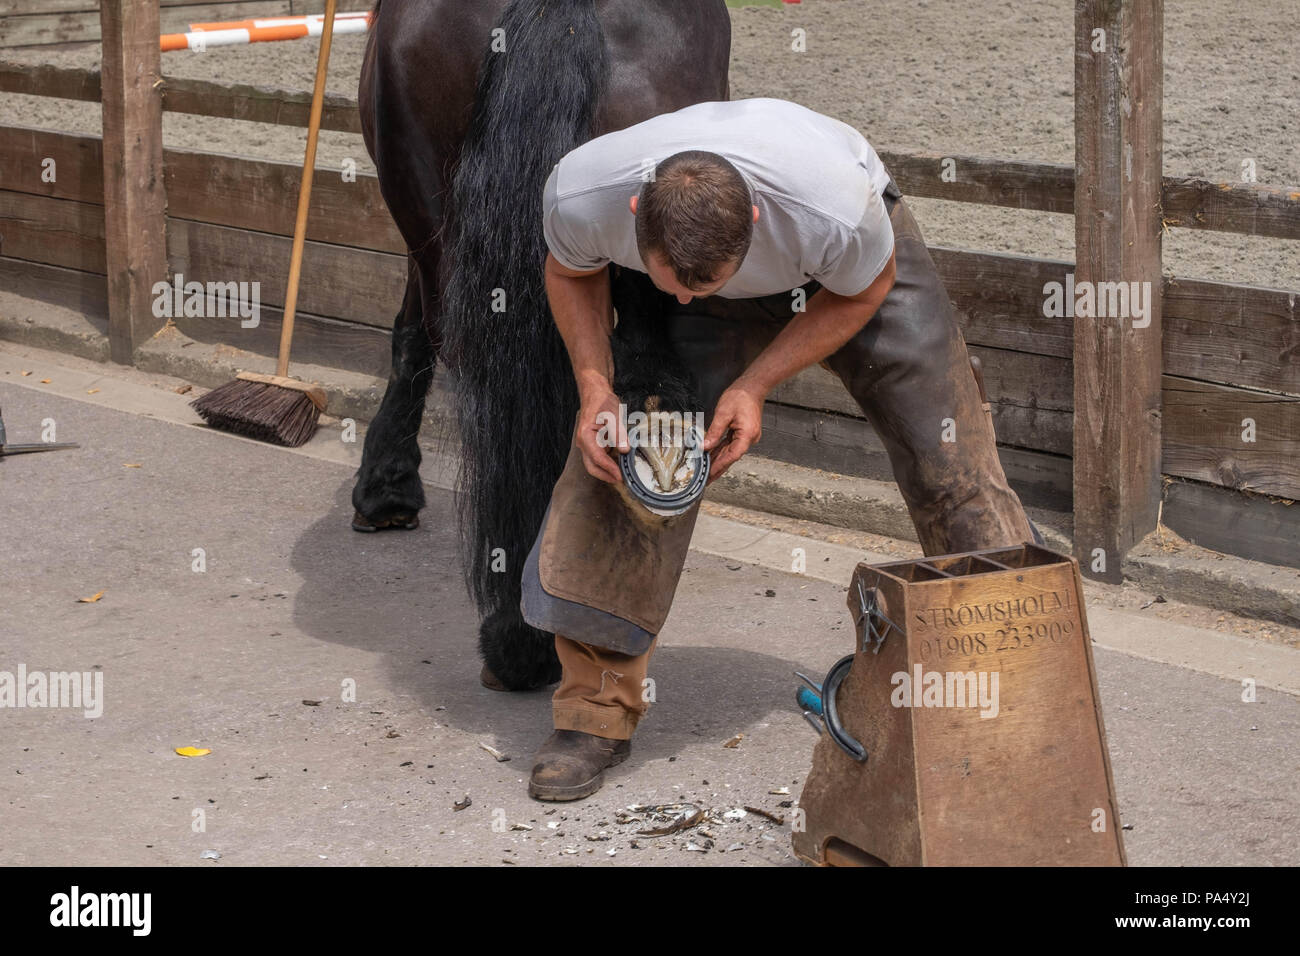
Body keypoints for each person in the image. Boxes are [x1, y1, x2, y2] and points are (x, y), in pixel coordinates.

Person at [524, 97, 1034, 801]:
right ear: (636, 211)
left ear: (756, 222)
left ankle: (1018, 686)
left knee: (950, 459)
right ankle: (591, 712)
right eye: (668, 281)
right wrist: (594, 386)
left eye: (703, 285)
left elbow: (865, 293)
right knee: (632, 457)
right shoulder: (583, 195)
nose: (680, 300)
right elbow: (570, 273)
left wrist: (756, 383)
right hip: (726, 252)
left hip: (850, 276)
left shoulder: (835, 212)